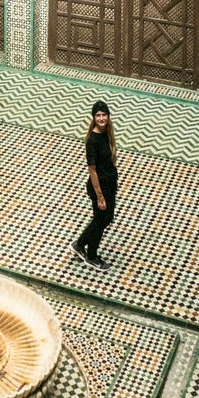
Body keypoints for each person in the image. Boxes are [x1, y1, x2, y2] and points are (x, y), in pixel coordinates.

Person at [71, 100, 118, 271]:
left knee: (106, 218)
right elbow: (92, 171)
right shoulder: (92, 140)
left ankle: (80, 243)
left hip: (109, 185)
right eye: (98, 115)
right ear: (93, 118)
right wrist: (99, 196)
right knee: (100, 220)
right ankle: (91, 256)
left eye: (103, 114)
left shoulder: (107, 133)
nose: (101, 118)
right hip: (99, 188)